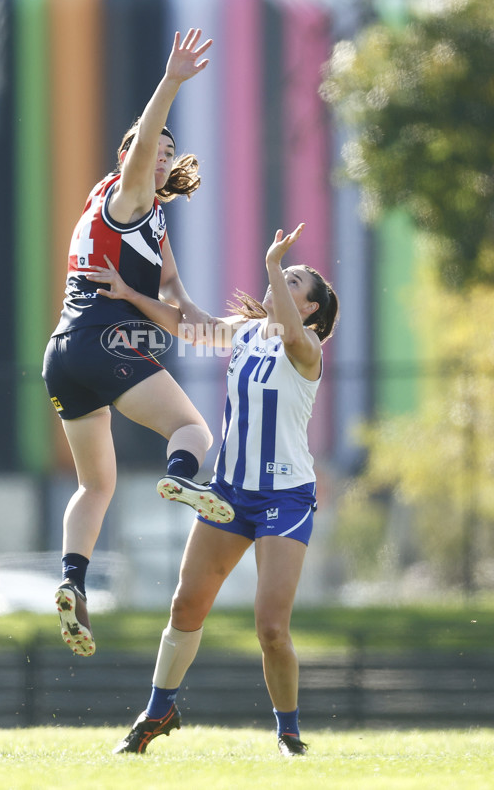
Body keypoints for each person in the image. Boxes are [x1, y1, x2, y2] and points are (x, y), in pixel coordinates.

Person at [88, 223, 339, 757]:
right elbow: (189, 325)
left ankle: (288, 734)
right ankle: (158, 712)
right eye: (283, 275)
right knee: (185, 607)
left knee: (271, 628)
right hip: (227, 492)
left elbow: (292, 336)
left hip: (284, 499)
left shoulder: (307, 346)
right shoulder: (246, 332)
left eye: (295, 282)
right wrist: (131, 292)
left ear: (311, 310)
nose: (280, 281)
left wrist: (273, 262)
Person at [42, 29, 235, 658]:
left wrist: (248, 334)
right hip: (101, 342)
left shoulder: (150, 223)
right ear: (130, 157)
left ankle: (72, 582)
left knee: (96, 484)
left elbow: (181, 312)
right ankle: (181, 480)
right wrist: (173, 81)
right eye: (150, 150)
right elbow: (144, 140)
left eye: (167, 153)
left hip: (64, 356)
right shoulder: (125, 199)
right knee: (195, 433)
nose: (159, 156)